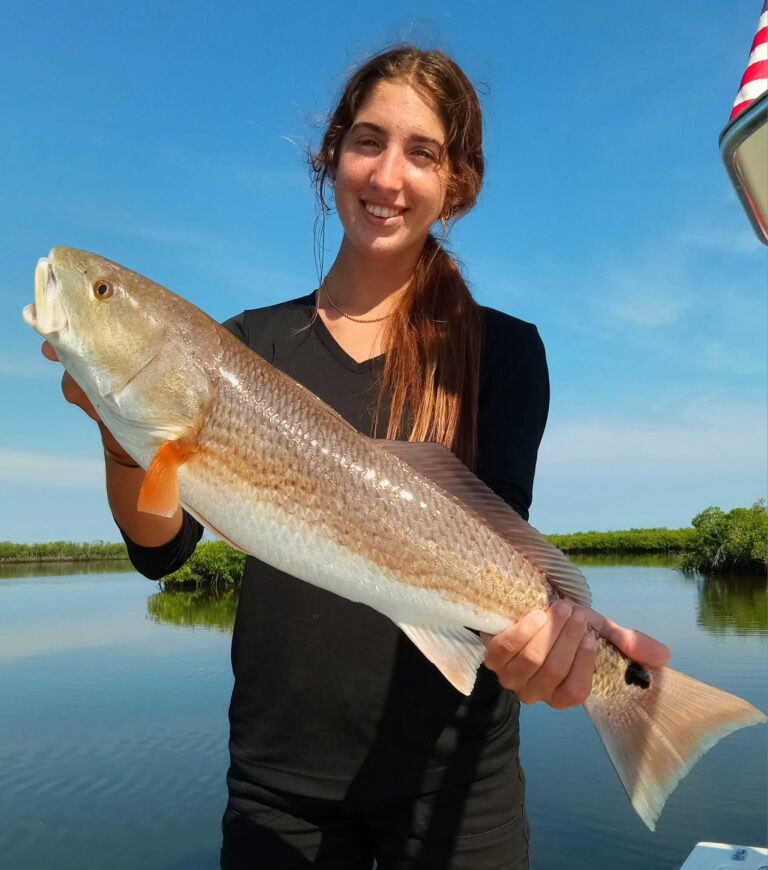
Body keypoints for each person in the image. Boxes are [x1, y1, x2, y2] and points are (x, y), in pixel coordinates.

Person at [42, 46, 670, 870]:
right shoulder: (244, 345)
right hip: (280, 785)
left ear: (460, 184)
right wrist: (116, 432)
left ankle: (650, 715)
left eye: (423, 153)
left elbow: (496, 541)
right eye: (367, 141)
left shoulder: (507, 353)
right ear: (331, 154)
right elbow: (160, 549)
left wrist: (556, 654)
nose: (388, 174)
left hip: (456, 789)